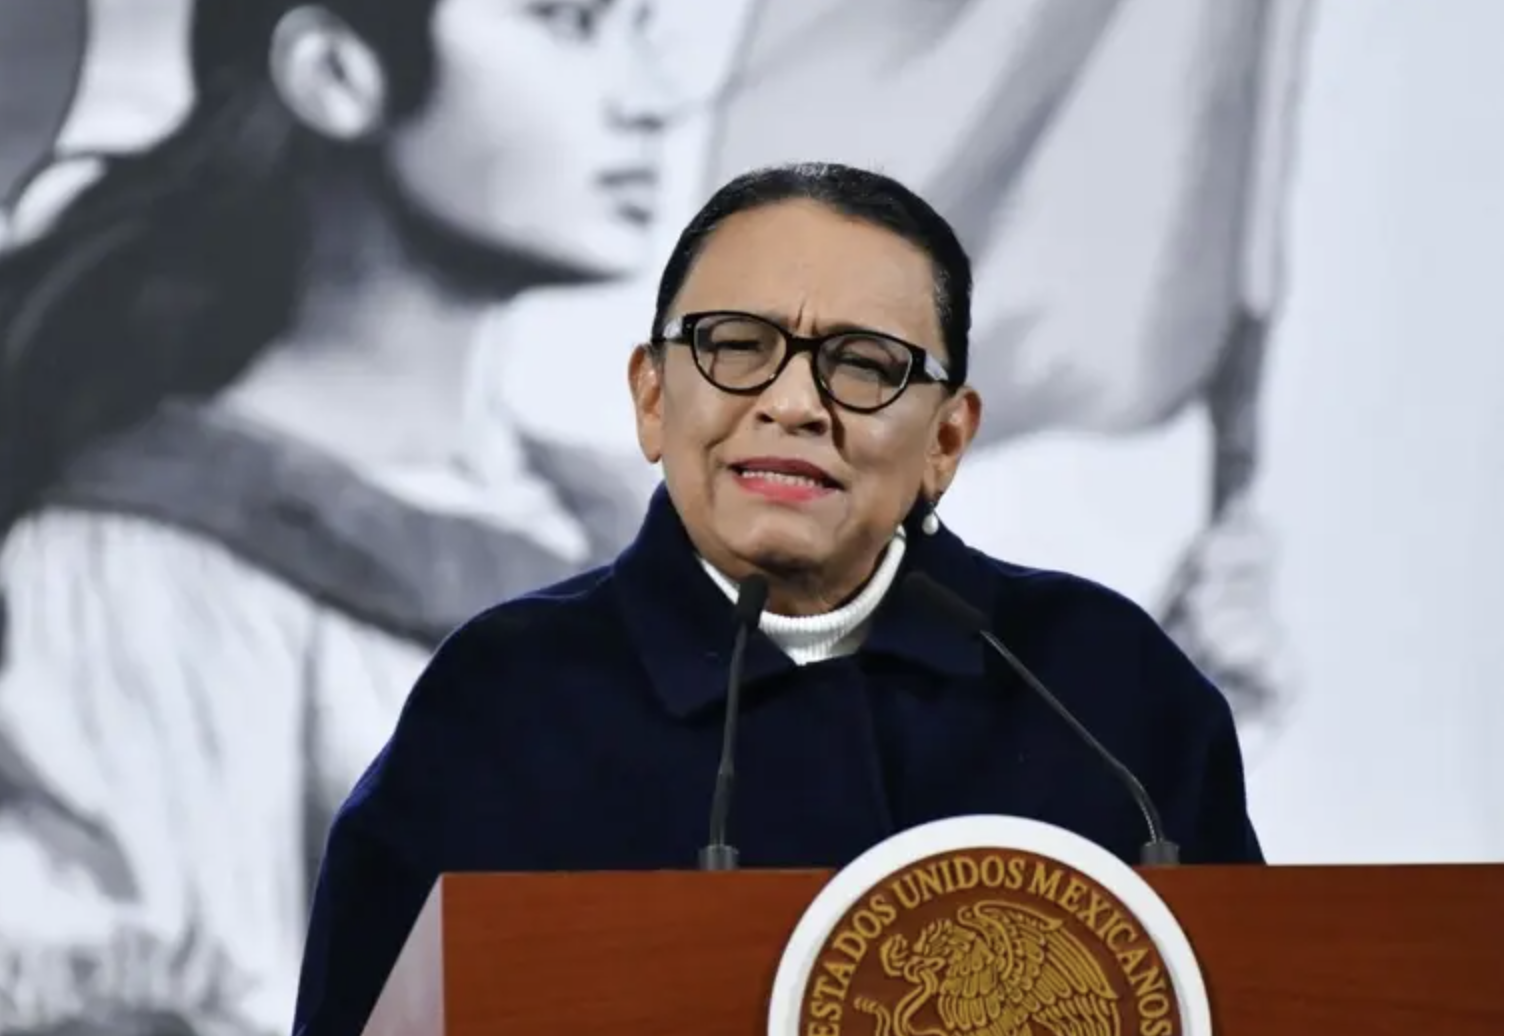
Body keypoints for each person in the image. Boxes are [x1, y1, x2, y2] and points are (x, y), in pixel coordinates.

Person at [292, 161, 1262, 1036]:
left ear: (945, 442)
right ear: (652, 400)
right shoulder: (506, 699)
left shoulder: (1100, 688)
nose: (793, 403)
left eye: (864, 364)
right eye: (736, 346)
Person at [0, 1, 672, 1033]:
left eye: (643, 32)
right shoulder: (149, 568)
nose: (647, 101)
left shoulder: (648, 527)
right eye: (568, 22)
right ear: (334, 73)